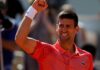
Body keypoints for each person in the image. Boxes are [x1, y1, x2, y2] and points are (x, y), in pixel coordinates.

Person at [15, 0, 93, 70]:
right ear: (57, 28)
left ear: (76, 29)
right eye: (61, 26)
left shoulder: (87, 57)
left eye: (68, 26)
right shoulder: (45, 51)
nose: (64, 29)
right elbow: (20, 39)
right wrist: (33, 9)